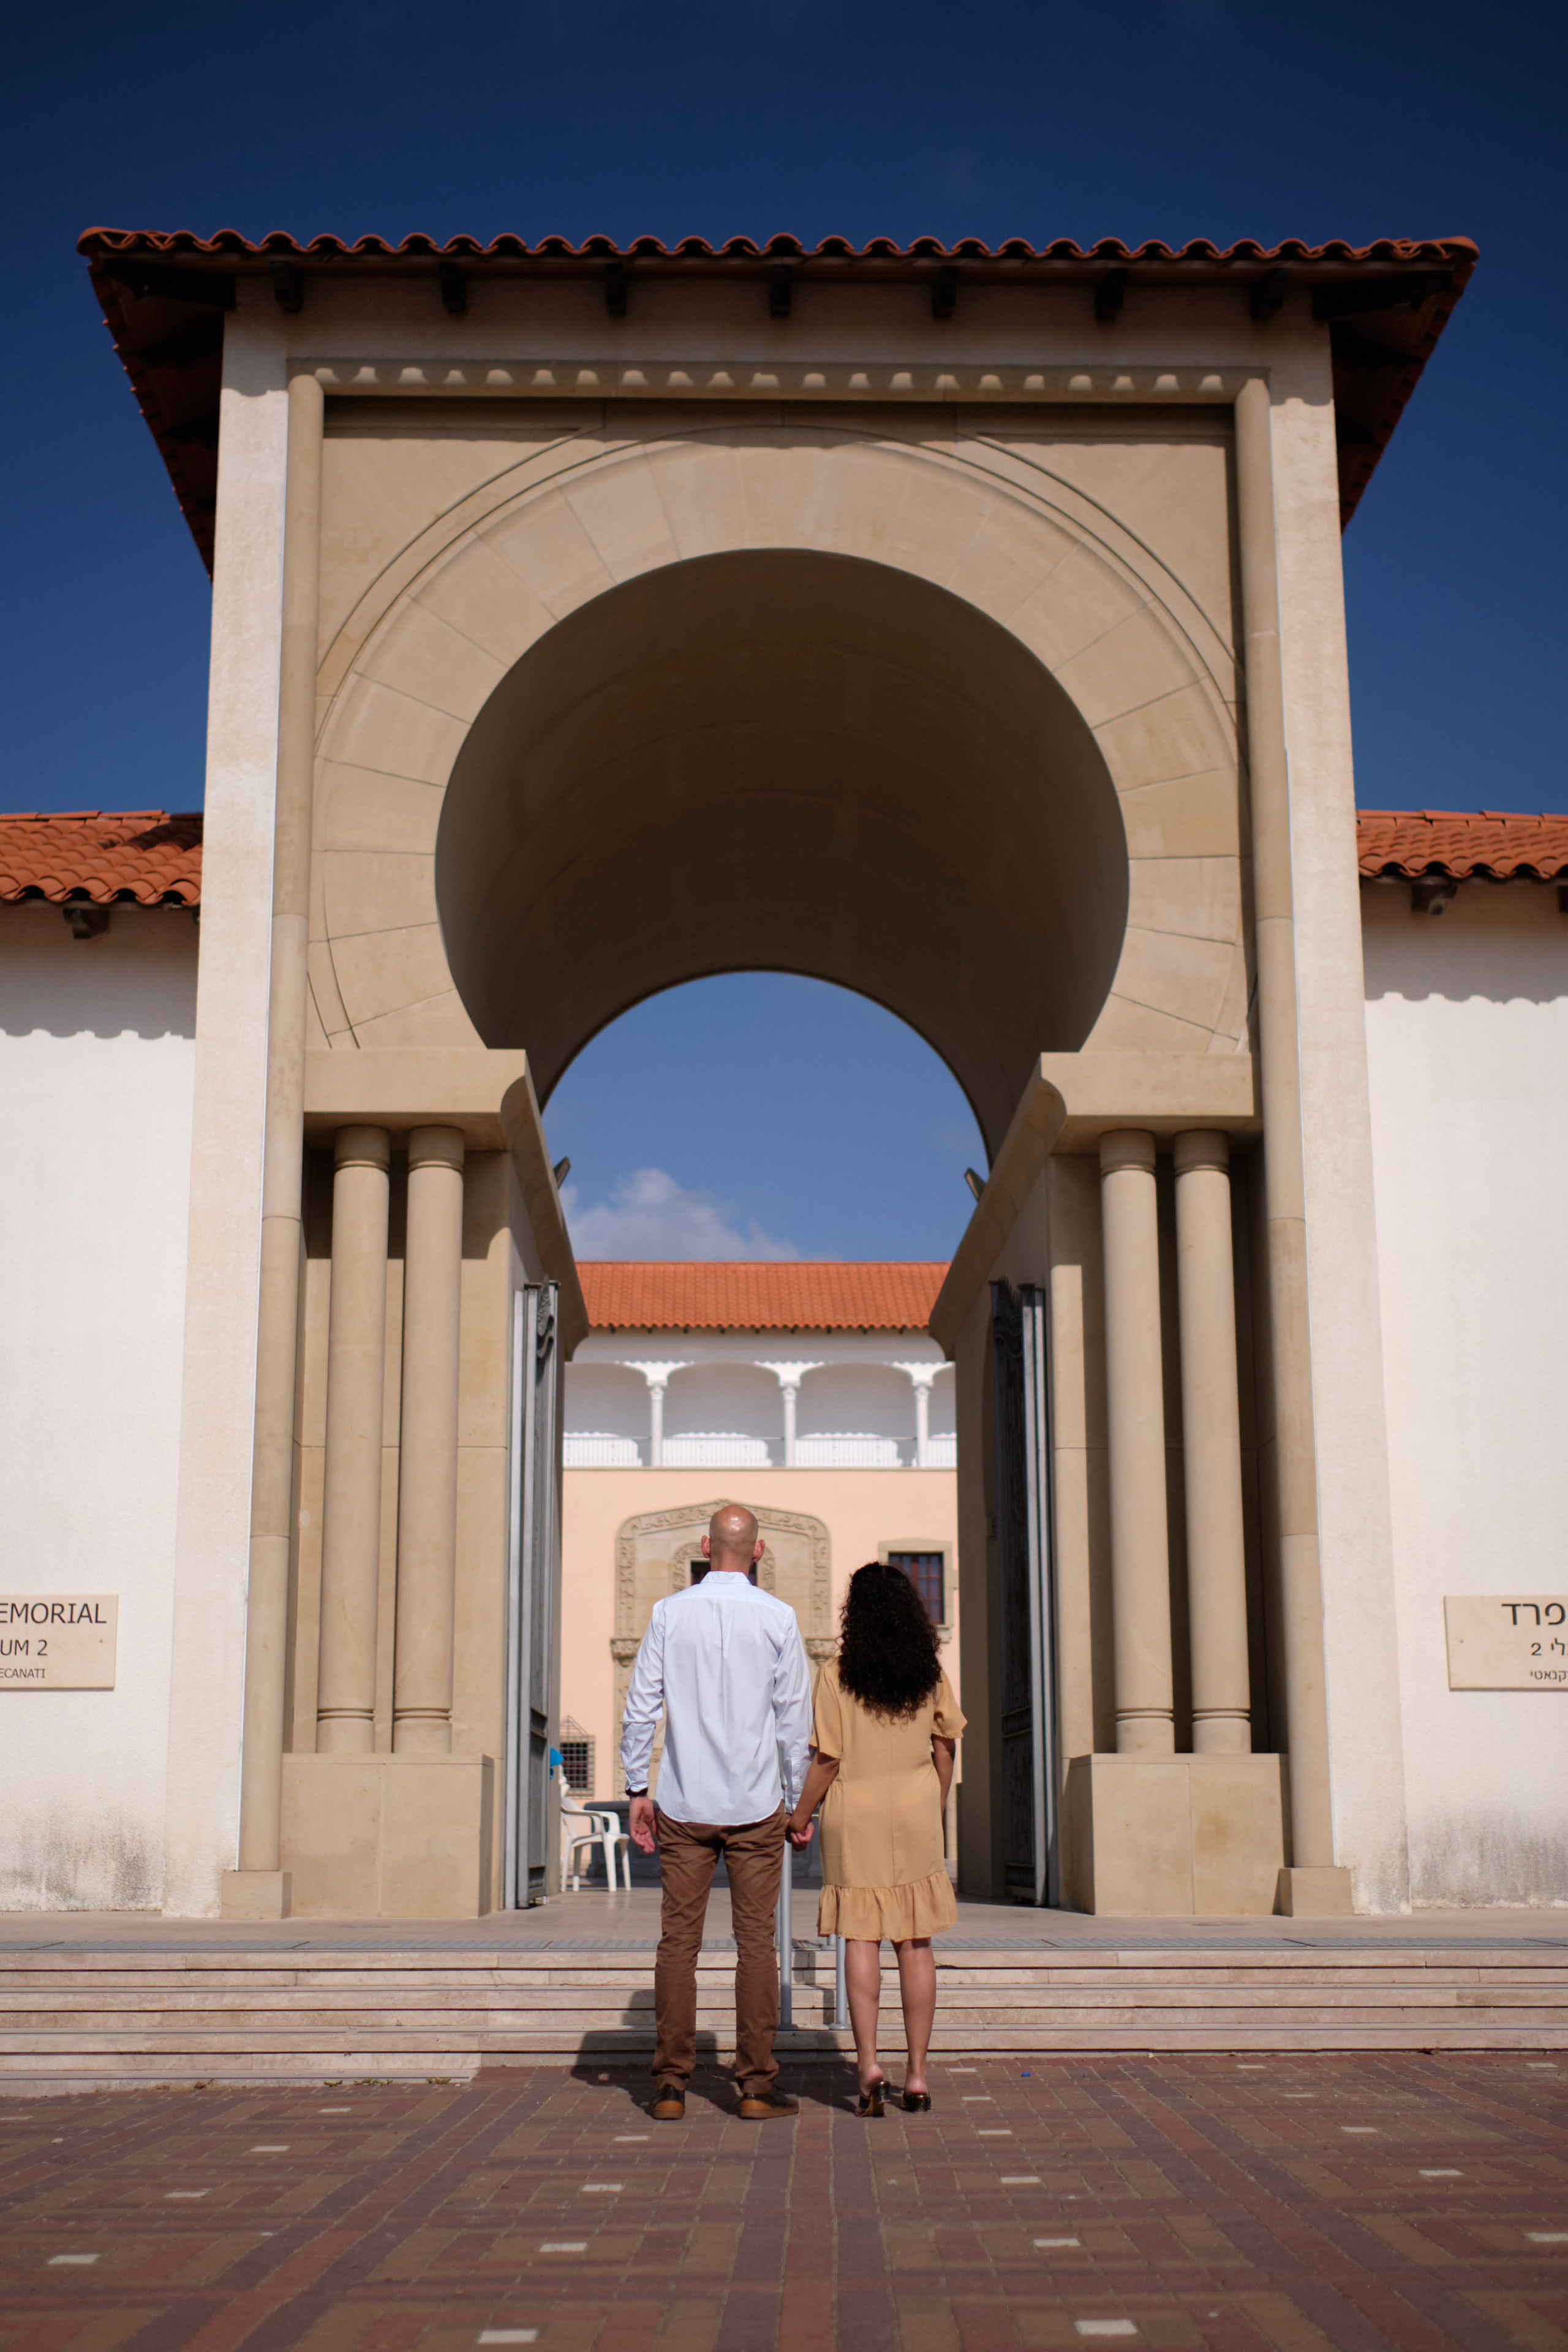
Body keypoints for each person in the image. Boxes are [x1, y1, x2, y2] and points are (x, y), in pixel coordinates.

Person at [622, 1502, 812, 2123]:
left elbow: (641, 1706)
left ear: (706, 1547)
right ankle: (755, 2084)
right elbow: (793, 1722)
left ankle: (670, 2085)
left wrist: (636, 1788)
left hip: (684, 1801)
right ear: (758, 1551)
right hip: (756, 1803)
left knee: (678, 1942)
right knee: (756, 1943)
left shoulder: (669, 1613)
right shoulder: (779, 1617)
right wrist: (798, 1802)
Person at [786, 1559, 965, 2115]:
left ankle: (867, 2065)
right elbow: (945, 1746)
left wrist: (800, 1816)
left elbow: (827, 1758)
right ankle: (918, 2075)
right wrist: (934, 1804)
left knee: (860, 1939)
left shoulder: (836, 1675)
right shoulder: (928, 1673)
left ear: (854, 1615)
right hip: (915, 1810)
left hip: (854, 1811)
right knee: (916, 1943)